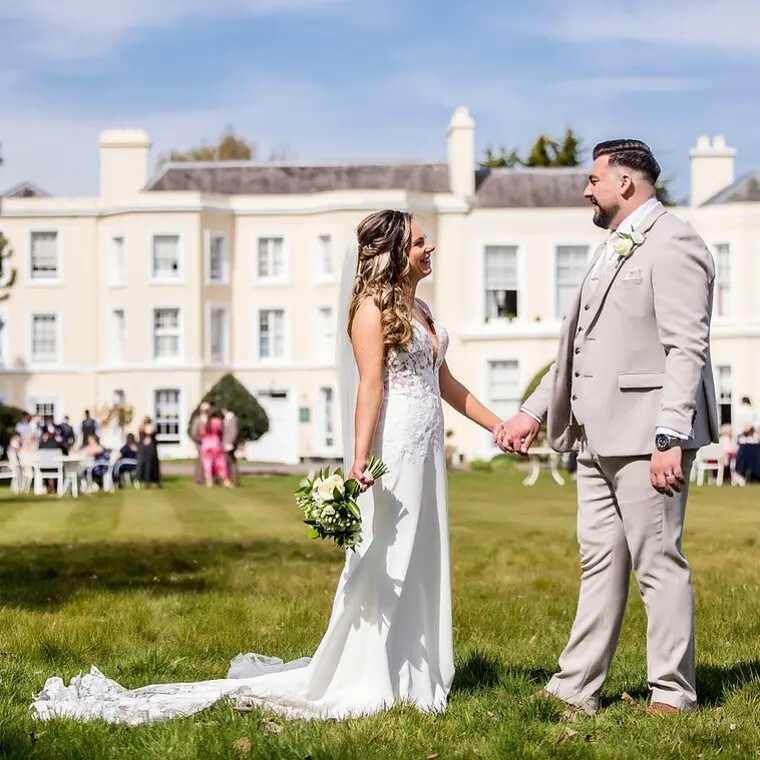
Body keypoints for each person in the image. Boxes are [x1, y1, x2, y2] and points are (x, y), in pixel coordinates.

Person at [32, 209, 504, 724]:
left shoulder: (422, 311)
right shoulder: (370, 311)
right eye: (418, 242)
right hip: (396, 451)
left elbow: (447, 382)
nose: (429, 247)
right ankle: (374, 672)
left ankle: (417, 669)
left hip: (427, 447)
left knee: (422, 553)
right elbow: (371, 387)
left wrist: (497, 426)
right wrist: (359, 461)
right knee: (384, 558)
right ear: (393, 253)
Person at [496, 139, 718, 717]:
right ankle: (577, 686)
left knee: (657, 563)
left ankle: (672, 693)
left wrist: (669, 437)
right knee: (599, 563)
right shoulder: (607, 249)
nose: (585, 188)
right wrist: (534, 410)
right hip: (595, 440)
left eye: (593, 179)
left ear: (626, 183)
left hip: (648, 439)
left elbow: (684, 348)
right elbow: (577, 349)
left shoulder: (675, 242)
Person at [200, 411, 233, 488]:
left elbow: (201, 433)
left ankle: (209, 481)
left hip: (206, 445)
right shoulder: (218, 422)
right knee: (221, 463)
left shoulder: (205, 424)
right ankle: (226, 480)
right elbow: (222, 432)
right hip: (216, 444)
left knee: (207, 464)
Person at [189, 402, 211, 485]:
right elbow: (194, 433)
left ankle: (212, 479)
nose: (206, 411)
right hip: (201, 443)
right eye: (205, 410)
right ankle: (198, 479)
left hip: (211, 443)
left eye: (208, 410)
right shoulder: (197, 420)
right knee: (201, 461)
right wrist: (201, 440)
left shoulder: (211, 419)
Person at [136, 416, 161, 488]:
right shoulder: (142, 428)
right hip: (146, 449)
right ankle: (147, 480)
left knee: (152, 465)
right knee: (147, 465)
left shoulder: (149, 427)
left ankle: (153, 480)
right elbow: (145, 436)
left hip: (150, 448)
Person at [221, 405, 240, 485]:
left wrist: (230, 443)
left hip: (230, 444)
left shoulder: (232, 419)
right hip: (226, 443)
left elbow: (234, 432)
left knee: (231, 462)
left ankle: (234, 479)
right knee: (227, 462)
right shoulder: (226, 419)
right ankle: (229, 479)